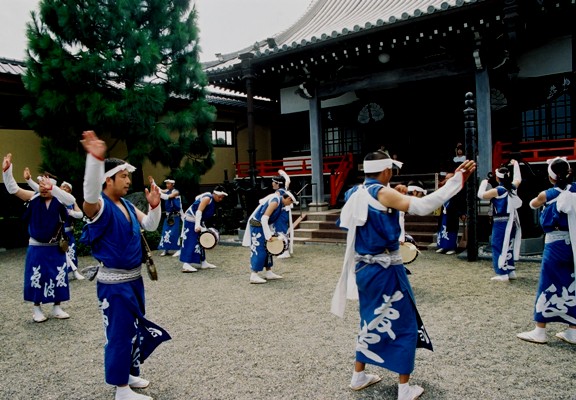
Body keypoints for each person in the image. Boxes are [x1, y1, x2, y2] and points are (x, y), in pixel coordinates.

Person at [331, 149, 475, 400]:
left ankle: (358, 375)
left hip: (364, 268)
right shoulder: (382, 192)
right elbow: (423, 206)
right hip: (387, 268)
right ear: (386, 171)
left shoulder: (355, 192)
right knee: (404, 323)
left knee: (370, 318)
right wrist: (456, 181)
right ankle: (404, 388)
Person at [80, 130, 171, 400]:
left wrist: (155, 207)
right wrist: (95, 160)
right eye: (123, 176)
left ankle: (129, 374)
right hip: (114, 284)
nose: (129, 181)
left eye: (128, 176)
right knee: (119, 333)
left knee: (133, 329)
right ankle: (121, 390)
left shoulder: (128, 206)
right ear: (107, 180)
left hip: (134, 279)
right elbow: (89, 194)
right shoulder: (99, 207)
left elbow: (150, 226)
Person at [3, 154, 76, 322]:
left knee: (58, 275)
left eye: (46, 185)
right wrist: (7, 171)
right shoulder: (34, 198)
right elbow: (13, 189)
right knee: (37, 276)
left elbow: (71, 199)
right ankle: (37, 309)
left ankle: (57, 306)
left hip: (55, 246)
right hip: (37, 246)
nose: (43, 188)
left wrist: (53, 188)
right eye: (41, 184)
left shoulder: (60, 200)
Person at [517, 157, 576, 345]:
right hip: (572, 243)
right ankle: (573, 330)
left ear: (551, 177)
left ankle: (540, 330)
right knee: (571, 283)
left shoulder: (548, 194)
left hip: (555, 245)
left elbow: (532, 203)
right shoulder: (574, 190)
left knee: (547, 283)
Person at [23, 169, 85, 280]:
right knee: (61, 253)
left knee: (69, 252)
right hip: (56, 231)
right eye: (63, 187)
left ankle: (71, 272)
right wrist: (29, 180)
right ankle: (65, 273)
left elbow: (80, 214)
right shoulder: (52, 197)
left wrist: (71, 213)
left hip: (68, 232)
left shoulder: (68, 200)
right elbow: (39, 189)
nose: (65, 188)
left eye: (68, 188)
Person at [477, 159, 522, 281]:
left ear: (498, 178)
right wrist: (516, 165)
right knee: (508, 245)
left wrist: (484, 182)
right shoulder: (512, 187)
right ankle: (510, 270)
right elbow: (518, 178)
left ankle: (502, 272)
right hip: (512, 220)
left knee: (498, 245)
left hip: (501, 221)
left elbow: (480, 195)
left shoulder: (498, 190)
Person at [242, 189, 299, 284]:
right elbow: (264, 218)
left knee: (268, 249)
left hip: (264, 225)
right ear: (288, 198)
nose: (290, 204)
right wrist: (269, 235)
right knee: (259, 249)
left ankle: (269, 272)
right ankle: (254, 275)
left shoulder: (280, 203)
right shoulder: (275, 201)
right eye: (291, 201)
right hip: (257, 225)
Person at [179, 186, 227, 272]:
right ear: (215, 194)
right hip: (191, 219)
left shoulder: (211, 199)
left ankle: (203, 262)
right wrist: (197, 225)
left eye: (222, 198)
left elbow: (197, 199)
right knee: (191, 240)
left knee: (200, 241)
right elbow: (199, 211)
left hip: (198, 220)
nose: (220, 199)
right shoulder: (208, 198)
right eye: (220, 197)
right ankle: (186, 264)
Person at [149, 177, 182, 257]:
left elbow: (168, 197)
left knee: (174, 233)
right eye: (166, 183)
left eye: (168, 183)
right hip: (168, 215)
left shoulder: (176, 192)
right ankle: (165, 249)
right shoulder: (167, 191)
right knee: (165, 232)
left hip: (175, 215)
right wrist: (153, 182)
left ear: (172, 184)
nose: (167, 185)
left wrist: (159, 194)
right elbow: (159, 190)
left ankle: (178, 249)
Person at [435, 173, 467, 255]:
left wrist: (462, 213)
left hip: (453, 212)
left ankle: (452, 247)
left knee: (451, 230)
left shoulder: (458, 188)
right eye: (446, 178)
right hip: (444, 212)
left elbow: (462, 202)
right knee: (443, 229)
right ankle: (442, 246)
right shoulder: (445, 188)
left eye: (448, 178)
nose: (446, 180)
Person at [269, 170, 294, 259]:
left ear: (277, 184)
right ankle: (283, 250)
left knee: (281, 231)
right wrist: (283, 174)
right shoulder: (285, 190)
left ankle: (285, 251)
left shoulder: (279, 192)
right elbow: (287, 181)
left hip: (281, 214)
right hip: (284, 213)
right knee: (283, 231)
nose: (272, 184)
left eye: (273, 182)